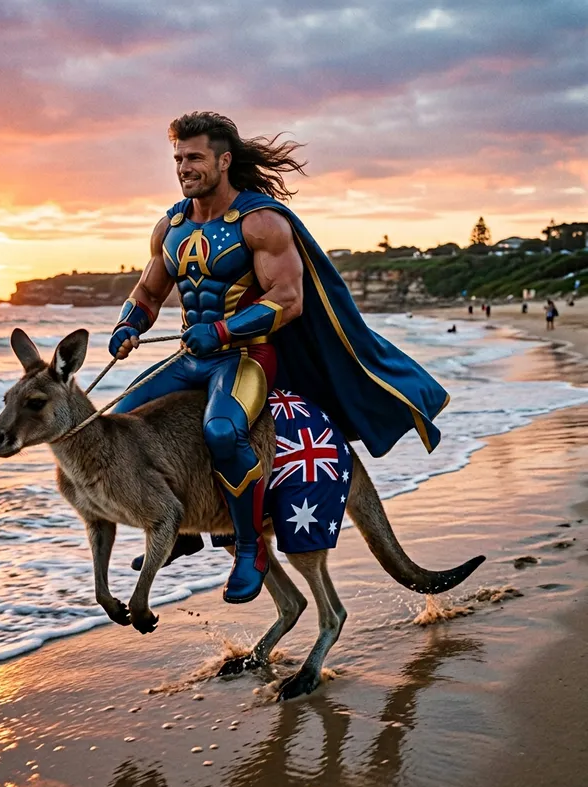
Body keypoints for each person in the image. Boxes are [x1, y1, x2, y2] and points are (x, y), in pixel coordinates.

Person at [109, 111, 449, 604]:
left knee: (223, 431)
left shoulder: (259, 222)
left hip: (244, 356)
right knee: (121, 421)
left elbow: (289, 299)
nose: (184, 167)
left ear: (224, 161)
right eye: (179, 158)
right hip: (191, 356)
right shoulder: (172, 226)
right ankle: (180, 532)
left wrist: (224, 329)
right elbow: (148, 291)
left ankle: (250, 550)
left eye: (195, 157)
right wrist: (128, 325)